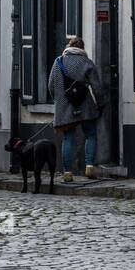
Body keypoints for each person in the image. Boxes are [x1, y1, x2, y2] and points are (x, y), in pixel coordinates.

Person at [48, 35, 104, 182]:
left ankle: (67, 173)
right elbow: (97, 87)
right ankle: (90, 167)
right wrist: (100, 103)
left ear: (68, 47)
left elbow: (51, 85)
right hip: (85, 105)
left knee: (68, 138)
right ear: (82, 48)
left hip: (64, 106)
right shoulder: (87, 62)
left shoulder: (58, 62)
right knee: (90, 135)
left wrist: (59, 101)